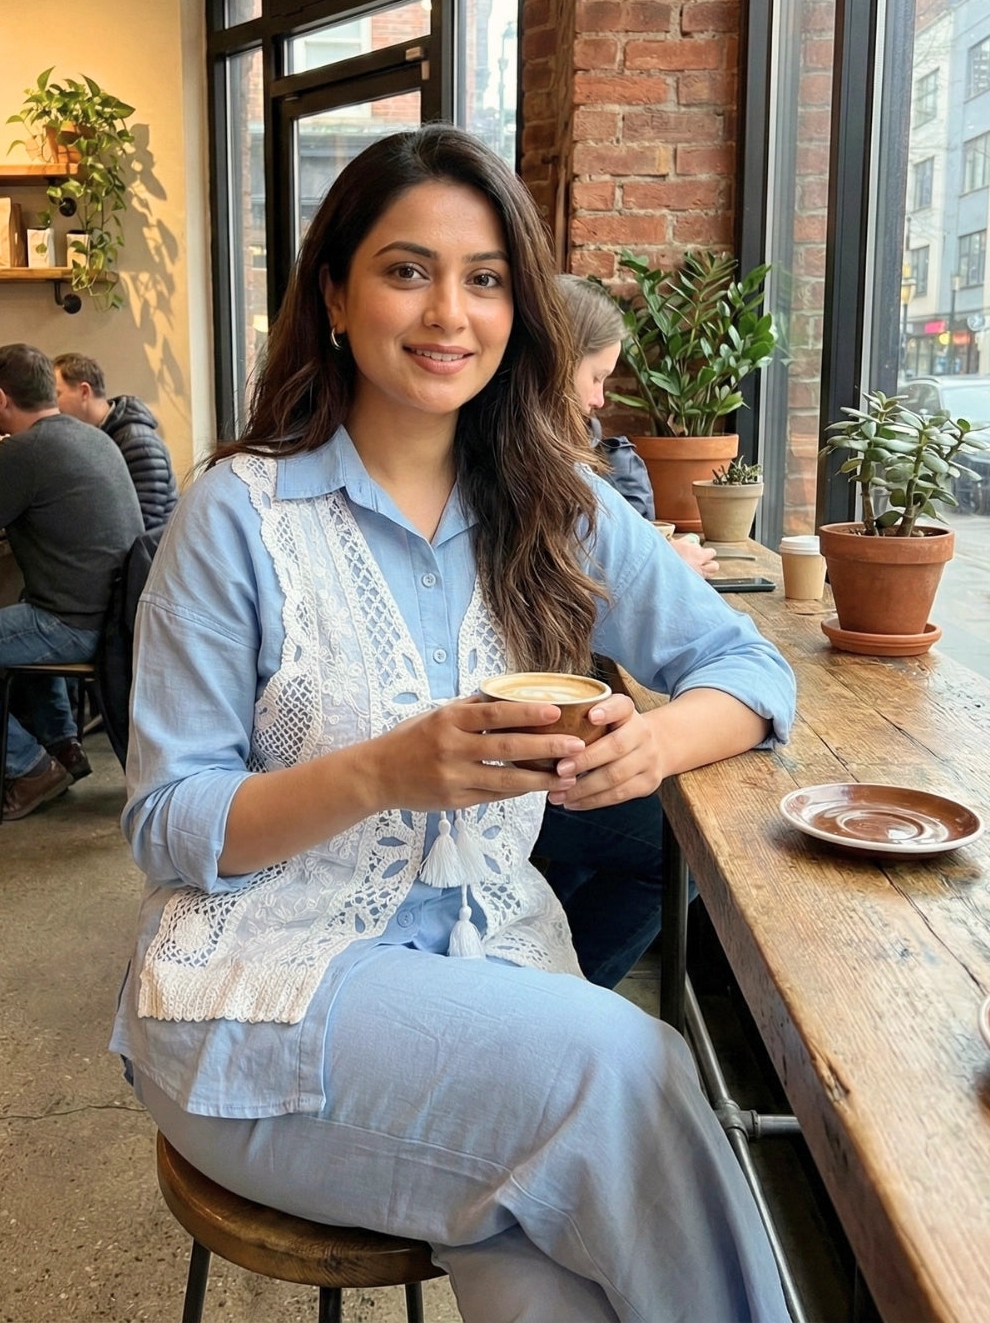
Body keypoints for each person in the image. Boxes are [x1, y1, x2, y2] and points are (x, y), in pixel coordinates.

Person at [111, 126, 796, 1323]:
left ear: (518, 312)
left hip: (493, 969)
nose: (449, 314)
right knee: (628, 1071)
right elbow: (168, 823)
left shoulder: (555, 505)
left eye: (484, 279)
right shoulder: (238, 516)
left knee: (556, 1275)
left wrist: (653, 745)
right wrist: (383, 772)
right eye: (406, 270)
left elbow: (747, 667)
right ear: (335, 296)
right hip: (264, 999)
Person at [532, 276, 717, 988]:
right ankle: (562, 1001)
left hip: (541, 745)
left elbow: (746, 664)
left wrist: (656, 743)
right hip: (513, 762)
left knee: (610, 809)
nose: (600, 400)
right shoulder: (554, 487)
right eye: (596, 377)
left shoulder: (570, 482)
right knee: (682, 845)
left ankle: (548, 982)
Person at [0, 345, 144, 822]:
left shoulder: (20, 451)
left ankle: (31, 767)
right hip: (117, 616)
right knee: (25, 603)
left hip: (73, 625)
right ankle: (64, 747)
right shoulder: (93, 437)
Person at [560, 274, 717, 577]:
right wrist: (662, 567)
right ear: (560, 360)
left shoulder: (562, 452)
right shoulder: (526, 461)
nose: (600, 399)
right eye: (596, 377)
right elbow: (557, 574)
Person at [53, 353, 178, 531]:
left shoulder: (138, 442)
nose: (52, 405)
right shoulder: (96, 438)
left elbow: (144, 524)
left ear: (84, 392)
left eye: (57, 395)